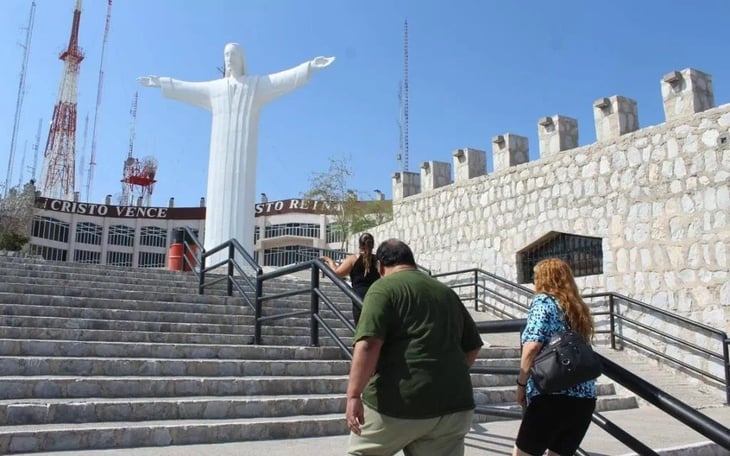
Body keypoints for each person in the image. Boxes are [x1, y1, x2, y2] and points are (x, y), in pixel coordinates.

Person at [138, 43, 335, 255]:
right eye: (225, 54)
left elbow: (282, 80)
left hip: (244, 160)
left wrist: (308, 67)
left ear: (241, 59)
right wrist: (162, 83)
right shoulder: (215, 89)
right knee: (217, 214)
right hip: (218, 161)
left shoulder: (255, 85)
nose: (228, 58)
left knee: (239, 212)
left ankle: (239, 260)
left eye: (232, 54)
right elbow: (187, 87)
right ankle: (214, 259)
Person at [345, 239, 484, 456]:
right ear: (412, 262)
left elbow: (369, 344)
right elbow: (473, 346)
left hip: (398, 404)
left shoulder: (382, 288)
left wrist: (354, 395)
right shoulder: (445, 292)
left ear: (381, 266)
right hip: (454, 405)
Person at [513, 258, 597, 456]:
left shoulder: (543, 301)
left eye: (535, 277)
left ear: (543, 279)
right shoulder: (577, 308)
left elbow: (532, 346)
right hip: (584, 399)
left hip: (551, 396)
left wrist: (521, 384)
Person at [321, 233, 380, 325]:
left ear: (359, 245)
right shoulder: (378, 260)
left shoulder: (353, 259)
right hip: (375, 297)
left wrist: (329, 260)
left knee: (360, 328)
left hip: (358, 297)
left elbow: (337, 273)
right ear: (373, 245)